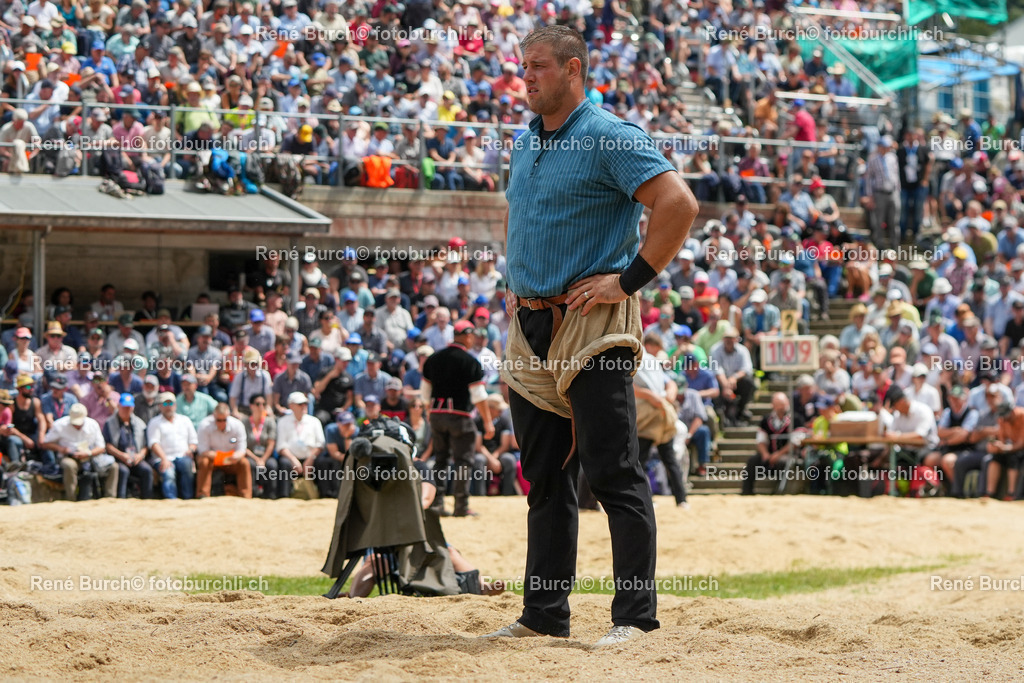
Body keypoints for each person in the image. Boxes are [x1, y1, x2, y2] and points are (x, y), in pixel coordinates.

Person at [485, 26, 698, 648]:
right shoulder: (525, 139)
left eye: (540, 67)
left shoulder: (609, 134)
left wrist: (627, 281)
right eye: (523, 66)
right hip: (529, 323)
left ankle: (634, 617)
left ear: (573, 69)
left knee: (613, 472)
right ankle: (544, 614)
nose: (526, 77)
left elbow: (677, 202)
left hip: (592, 321)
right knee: (544, 476)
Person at [422, 320, 492, 516]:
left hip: (436, 415)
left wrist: (430, 413)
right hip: (459, 417)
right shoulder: (470, 362)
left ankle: (437, 504)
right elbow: (479, 396)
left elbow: (425, 394)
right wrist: (487, 422)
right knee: (463, 461)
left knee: (440, 460)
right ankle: (461, 506)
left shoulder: (433, 359)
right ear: (468, 336)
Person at [44, 403, 114, 501]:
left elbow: (101, 447)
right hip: (68, 457)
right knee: (69, 465)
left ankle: (110, 499)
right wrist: (61, 449)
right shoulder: (59, 425)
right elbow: (45, 443)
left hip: (90, 457)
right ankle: (71, 498)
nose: (77, 426)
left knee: (113, 466)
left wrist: (88, 453)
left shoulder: (92, 424)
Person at [146, 392, 199, 499]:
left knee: (187, 466)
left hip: (183, 456)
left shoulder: (185, 420)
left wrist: (191, 449)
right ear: (160, 406)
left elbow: (194, 441)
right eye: (165, 404)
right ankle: (171, 500)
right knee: (168, 473)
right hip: (163, 458)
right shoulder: (154, 422)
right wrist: (164, 458)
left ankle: (188, 498)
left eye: (171, 403)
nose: (168, 407)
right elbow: (153, 443)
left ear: (175, 405)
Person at [741, 392, 794, 495]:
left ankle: (779, 492)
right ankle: (747, 492)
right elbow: (761, 440)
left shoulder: (795, 419)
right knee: (753, 461)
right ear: (773, 405)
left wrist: (778, 454)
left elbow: (795, 442)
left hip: (786, 455)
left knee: (783, 462)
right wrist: (765, 454)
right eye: (778, 405)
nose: (780, 408)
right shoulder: (766, 420)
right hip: (769, 454)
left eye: (782, 405)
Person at [195, 403, 252, 499]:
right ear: (214, 417)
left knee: (244, 463)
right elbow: (203, 450)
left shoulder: (237, 425)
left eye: (224, 420)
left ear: (228, 417)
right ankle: (202, 494)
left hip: (231, 460)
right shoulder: (204, 425)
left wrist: (236, 456)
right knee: (204, 461)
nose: (221, 423)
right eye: (219, 420)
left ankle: (246, 496)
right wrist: (222, 457)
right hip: (213, 459)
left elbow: (242, 449)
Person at [275, 392, 325, 497]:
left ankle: (325, 495)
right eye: (300, 404)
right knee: (284, 463)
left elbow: (320, 444)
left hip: (311, 457)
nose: (303, 406)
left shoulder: (314, 421)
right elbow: (281, 446)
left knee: (323, 462)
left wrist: (311, 459)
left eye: (305, 404)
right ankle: (284, 496)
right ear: (291, 406)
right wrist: (293, 460)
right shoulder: (283, 421)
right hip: (291, 458)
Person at [103, 393, 153, 499]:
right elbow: (107, 445)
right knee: (123, 471)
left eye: (129, 408)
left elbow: (145, 445)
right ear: (119, 406)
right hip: (118, 458)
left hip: (135, 458)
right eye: (124, 407)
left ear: (133, 408)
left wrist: (140, 455)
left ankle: (147, 499)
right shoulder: (110, 423)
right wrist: (122, 455)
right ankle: (121, 499)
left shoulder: (140, 423)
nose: (126, 410)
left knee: (147, 470)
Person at [244, 395, 278, 499]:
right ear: (251, 406)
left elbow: (271, 443)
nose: (261, 407)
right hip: (250, 455)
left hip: (266, 455)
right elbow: (242, 445)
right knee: (250, 464)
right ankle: (253, 493)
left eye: (263, 404)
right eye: (258, 404)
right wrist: (257, 459)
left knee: (272, 465)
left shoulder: (269, 421)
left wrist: (263, 459)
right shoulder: (244, 422)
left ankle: (271, 495)